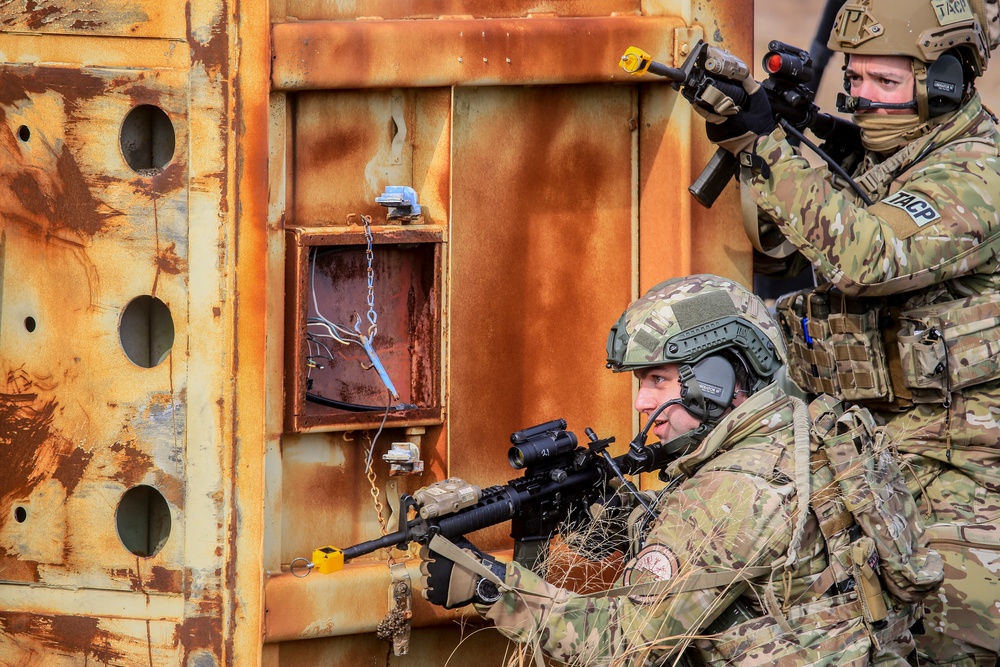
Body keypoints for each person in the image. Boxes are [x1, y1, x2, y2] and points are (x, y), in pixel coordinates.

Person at [417, 274, 931, 665]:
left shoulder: (727, 492)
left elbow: (626, 647)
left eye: (657, 380)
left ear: (718, 377)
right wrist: (628, 517)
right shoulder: (811, 427)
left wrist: (490, 587)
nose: (641, 402)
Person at [700, 1, 1000, 665]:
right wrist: (758, 120)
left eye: (885, 85)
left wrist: (767, 145)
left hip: (964, 486)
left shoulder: (977, 174)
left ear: (943, 83)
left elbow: (863, 256)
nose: (864, 103)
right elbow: (790, 235)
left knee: (934, 640)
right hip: (873, 461)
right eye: (856, 81)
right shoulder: (887, 159)